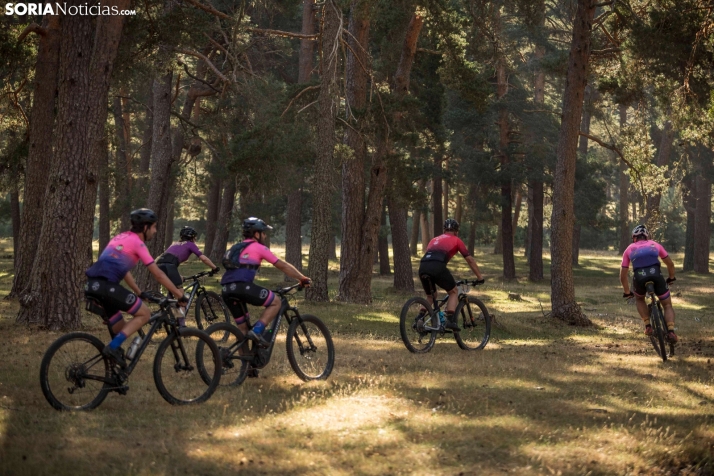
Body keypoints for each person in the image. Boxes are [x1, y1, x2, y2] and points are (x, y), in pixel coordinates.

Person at [85, 208, 187, 367]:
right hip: (107, 286)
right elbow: (158, 274)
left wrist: (139, 292)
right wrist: (178, 294)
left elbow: (123, 270)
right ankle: (112, 348)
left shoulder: (120, 237)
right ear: (145, 227)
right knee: (145, 314)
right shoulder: (138, 243)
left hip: (92, 285)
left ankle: (114, 369)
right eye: (153, 227)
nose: (155, 231)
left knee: (120, 329)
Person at [221, 217, 311, 349]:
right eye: (263, 233)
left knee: (243, 330)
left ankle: (247, 366)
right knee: (276, 302)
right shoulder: (258, 247)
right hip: (243, 287)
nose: (265, 236)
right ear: (256, 234)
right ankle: (257, 331)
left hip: (226, 290)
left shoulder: (237, 247)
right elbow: (282, 265)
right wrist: (301, 278)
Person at [418, 218, 484, 331]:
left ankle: (419, 318)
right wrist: (479, 277)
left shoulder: (434, 240)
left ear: (444, 230)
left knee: (431, 296)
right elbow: (470, 260)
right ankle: (450, 320)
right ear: (456, 231)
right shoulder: (457, 240)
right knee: (453, 291)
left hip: (423, 266)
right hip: (437, 266)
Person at [620, 224, 678, 342]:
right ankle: (671, 331)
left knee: (640, 299)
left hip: (639, 278)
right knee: (667, 305)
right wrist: (671, 277)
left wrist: (627, 292)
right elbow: (670, 264)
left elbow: (623, 275)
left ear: (634, 238)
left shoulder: (629, 249)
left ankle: (647, 326)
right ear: (646, 237)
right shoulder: (655, 244)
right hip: (657, 275)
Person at [157, 225, 219, 326]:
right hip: (170, 266)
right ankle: (181, 326)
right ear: (192, 237)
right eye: (195, 237)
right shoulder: (190, 244)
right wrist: (214, 268)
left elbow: (168, 260)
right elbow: (203, 258)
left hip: (159, 266)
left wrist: (179, 276)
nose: (195, 239)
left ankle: (172, 315)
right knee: (182, 298)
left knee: (173, 292)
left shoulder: (174, 244)